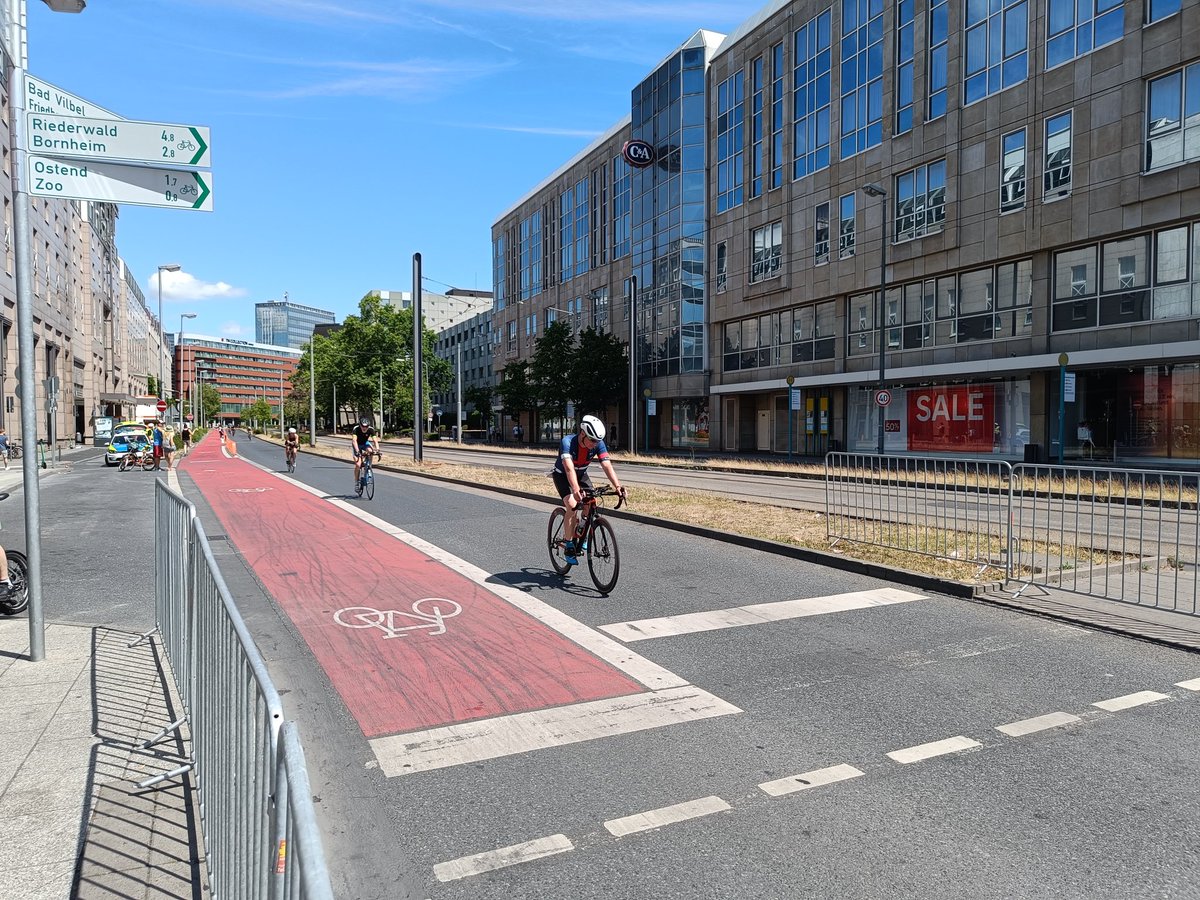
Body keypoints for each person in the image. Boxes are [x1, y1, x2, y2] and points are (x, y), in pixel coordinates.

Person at [552, 415, 625, 566]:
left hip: (581, 474)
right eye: (592, 440)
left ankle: (581, 529)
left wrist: (618, 486)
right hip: (562, 475)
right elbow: (569, 468)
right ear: (583, 433)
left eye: (597, 441)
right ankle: (568, 544)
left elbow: (606, 465)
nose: (595, 444)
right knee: (572, 505)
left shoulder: (597, 443)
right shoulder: (567, 442)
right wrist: (577, 490)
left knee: (592, 501)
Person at [349, 416, 380, 488]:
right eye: (362, 426)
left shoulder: (371, 430)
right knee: (358, 465)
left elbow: (375, 441)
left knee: (370, 451)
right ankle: (356, 482)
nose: (364, 428)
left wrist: (378, 450)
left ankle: (369, 466)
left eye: (366, 427)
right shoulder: (356, 429)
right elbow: (354, 441)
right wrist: (357, 452)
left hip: (365, 443)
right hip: (357, 444)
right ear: (360, 425)